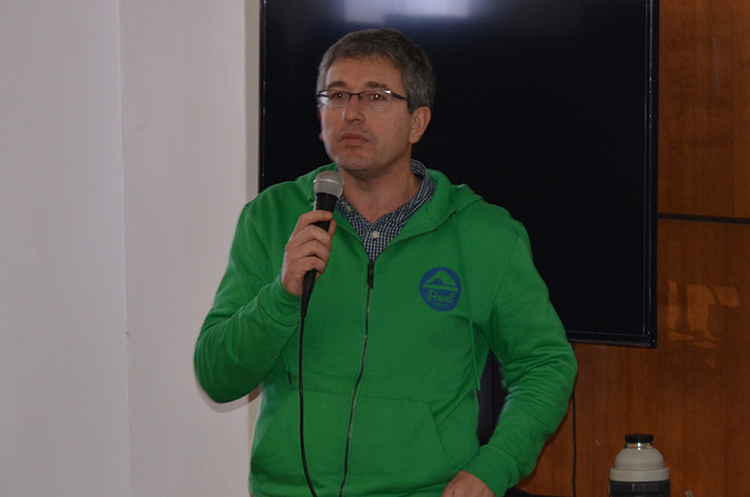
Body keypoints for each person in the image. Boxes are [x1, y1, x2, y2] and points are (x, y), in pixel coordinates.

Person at [195, 28, 577, 497]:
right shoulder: (272, 217)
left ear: (417, 122)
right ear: (321, 115)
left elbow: (545, 365)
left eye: (376, 96)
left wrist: (493, 469)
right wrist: (281, 294)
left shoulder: (484, 235)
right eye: (337, 95)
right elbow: (217, 377)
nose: (351, 113)